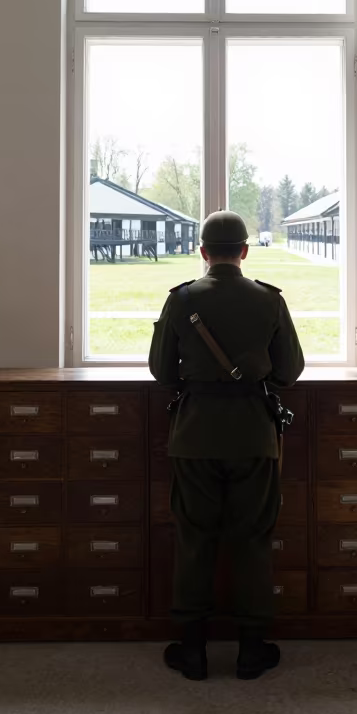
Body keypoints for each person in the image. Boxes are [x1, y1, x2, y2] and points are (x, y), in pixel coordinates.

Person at [149, 209, 304, 681]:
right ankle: (251, 650)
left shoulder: (182, 299)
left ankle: (192, 650)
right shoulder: (268, 300)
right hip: (253, 435)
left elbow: (162, 370)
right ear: (244, 251)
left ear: (202, 252)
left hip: (195, 435)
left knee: (195, 539)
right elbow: (289, 370)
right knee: (252, 539)